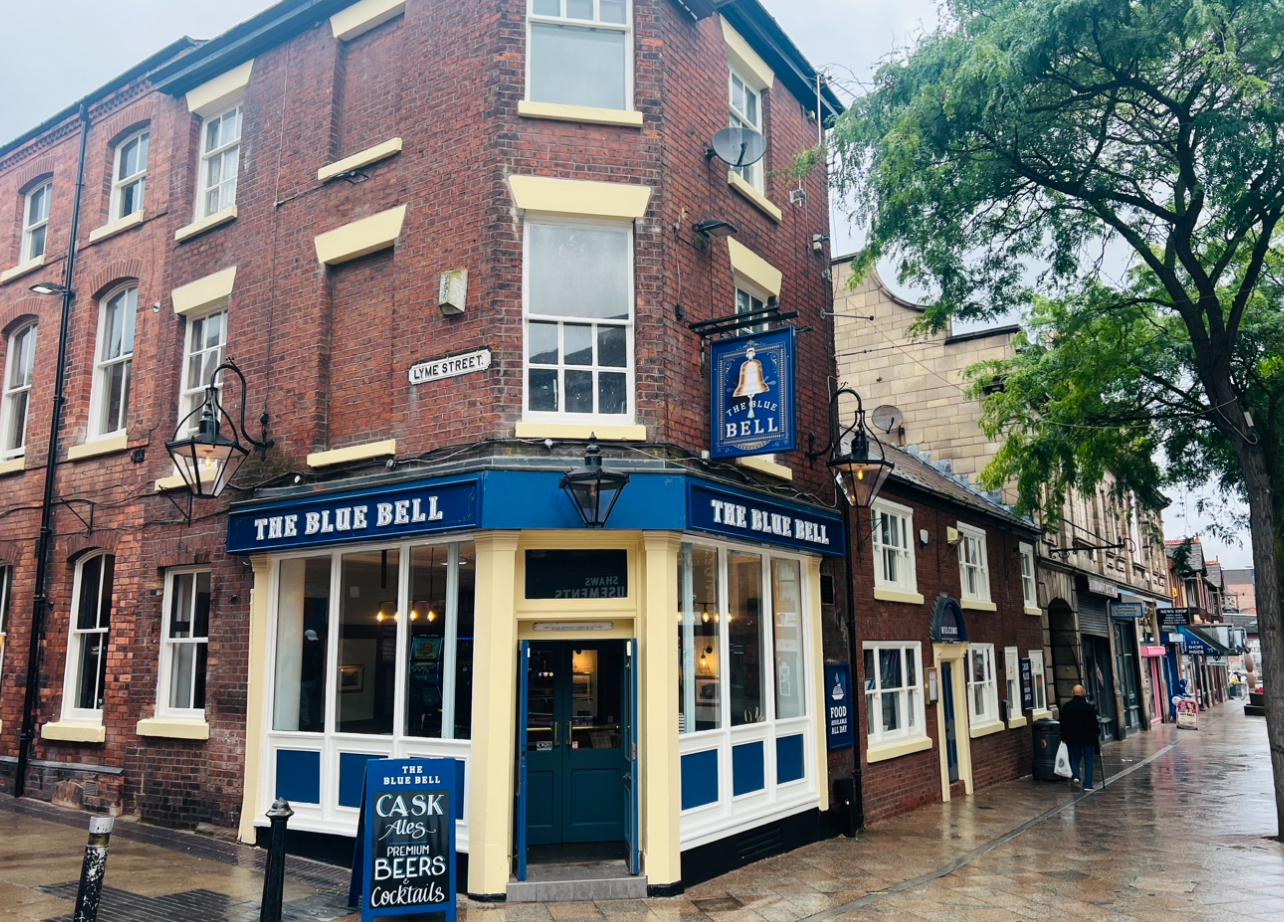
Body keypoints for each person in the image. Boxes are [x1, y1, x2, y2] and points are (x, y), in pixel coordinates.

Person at [1059, 685, 1101, 790]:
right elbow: (1094, 723)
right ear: (1083, 693)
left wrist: (1063, 737)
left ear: (1073, 693)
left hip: (1072, 738)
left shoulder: (1067, 707)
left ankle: (1076, 776)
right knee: (1089, 761)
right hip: (1088, 738)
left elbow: (1063, 723)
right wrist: (1097, 732)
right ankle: (1088, 784)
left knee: (1075, 759)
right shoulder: (1088, 707)